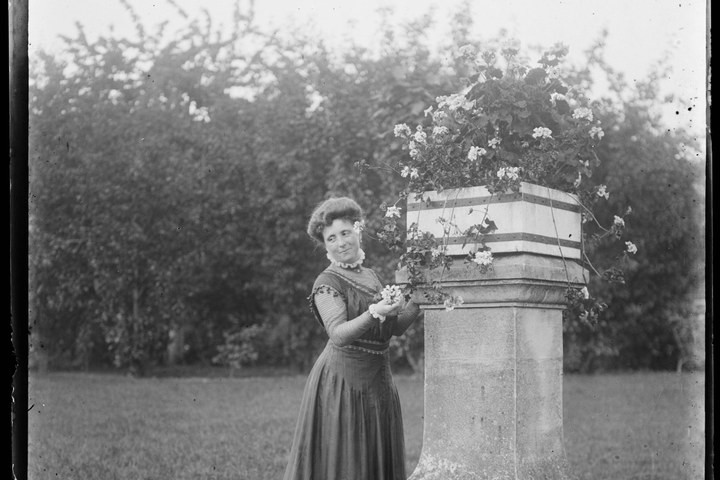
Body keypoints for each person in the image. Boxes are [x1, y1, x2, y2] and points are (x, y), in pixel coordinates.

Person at [283, 197, 423, 480]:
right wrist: (374, 312)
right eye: (331, 238)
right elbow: (338, 334)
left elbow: (394, 328)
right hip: (343, 383)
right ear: (325, 245)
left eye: (345, 233)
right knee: (346, 460)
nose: (340, 243)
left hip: (378, 382)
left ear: (358, 230)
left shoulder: (371, 276)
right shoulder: (327, 283)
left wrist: (417, 296)